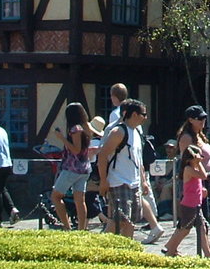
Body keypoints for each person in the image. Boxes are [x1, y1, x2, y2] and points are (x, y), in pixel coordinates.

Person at [163, 105, 210, 255]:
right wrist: (199, 184)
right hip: (193, 180)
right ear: (190, 120)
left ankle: (174, 246)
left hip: (205, 178)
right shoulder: (187, 137)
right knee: (190, 219)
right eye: (199, 118)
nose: (203, 121)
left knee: (199, 218)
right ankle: (174, 247)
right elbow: (187, 161)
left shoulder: (200, 135)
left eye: (204, 118)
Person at [97, 99, 149, 238]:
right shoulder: (118, 131)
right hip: (119, 181)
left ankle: (127, 247)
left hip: (134, 183)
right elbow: (102, 155)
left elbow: (139, 160)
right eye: (143, 114)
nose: (145, 117)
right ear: (133, 114)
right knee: (119, 220)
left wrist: (143, 181)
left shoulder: (136, 132)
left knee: (131, 221)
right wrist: (103, 181)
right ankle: (101, 244)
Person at [162, 145, 210, 258]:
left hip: (196, 205)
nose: (201, 158)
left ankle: (208, 254)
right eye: (199, 156)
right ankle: (170, 251)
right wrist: (199, 162)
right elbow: (203, 176)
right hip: (189, 205)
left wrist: (202, 190)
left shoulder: (195, 169)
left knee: (202, 229)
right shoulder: (188, 169)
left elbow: (197, 182)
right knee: (184, 230)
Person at [51, 102, 93, 231]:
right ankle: (81, 229)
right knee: (80, 200)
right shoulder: (86, 127)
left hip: (72, 168)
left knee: (56, 196)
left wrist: (62, 138)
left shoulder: (75, 129)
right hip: (84, 168)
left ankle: (67, 227)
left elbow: (76, 150)